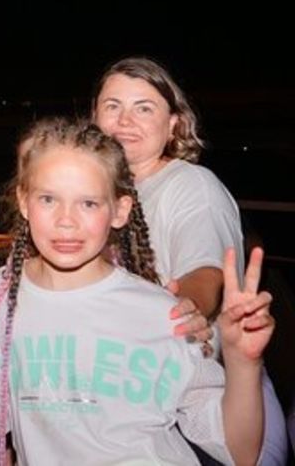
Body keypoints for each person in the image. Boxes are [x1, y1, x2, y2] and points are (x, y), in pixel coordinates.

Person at [0, 118, 273, 466]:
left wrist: (242, 361)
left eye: (89, 204)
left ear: (120, 211)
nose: (66, 222)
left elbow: (240, 450)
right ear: (24, 202)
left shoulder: (163, 313)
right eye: (48, 199)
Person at [93, 56, 289, 464]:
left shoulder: (190, 186)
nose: (124, 120)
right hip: (141, 399)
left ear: (174, 125)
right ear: (94, 118)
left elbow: (207, 273)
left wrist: (190, 306)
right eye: (112, 106)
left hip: (219, 407)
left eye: (143, 108)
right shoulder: (96, 196)